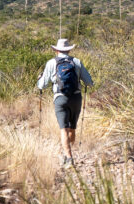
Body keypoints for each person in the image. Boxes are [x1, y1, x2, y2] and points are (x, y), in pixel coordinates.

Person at [36, 38, 94, 167]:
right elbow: (89, 83)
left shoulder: (51, 63)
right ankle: (68, 152)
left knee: (64, 129)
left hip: (60, 98)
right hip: (76, 98)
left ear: (56, 50)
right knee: (72, 129)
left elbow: (42, 85)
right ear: (69, 50)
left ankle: (68, 157)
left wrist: (39, 81)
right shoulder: (77, 62)